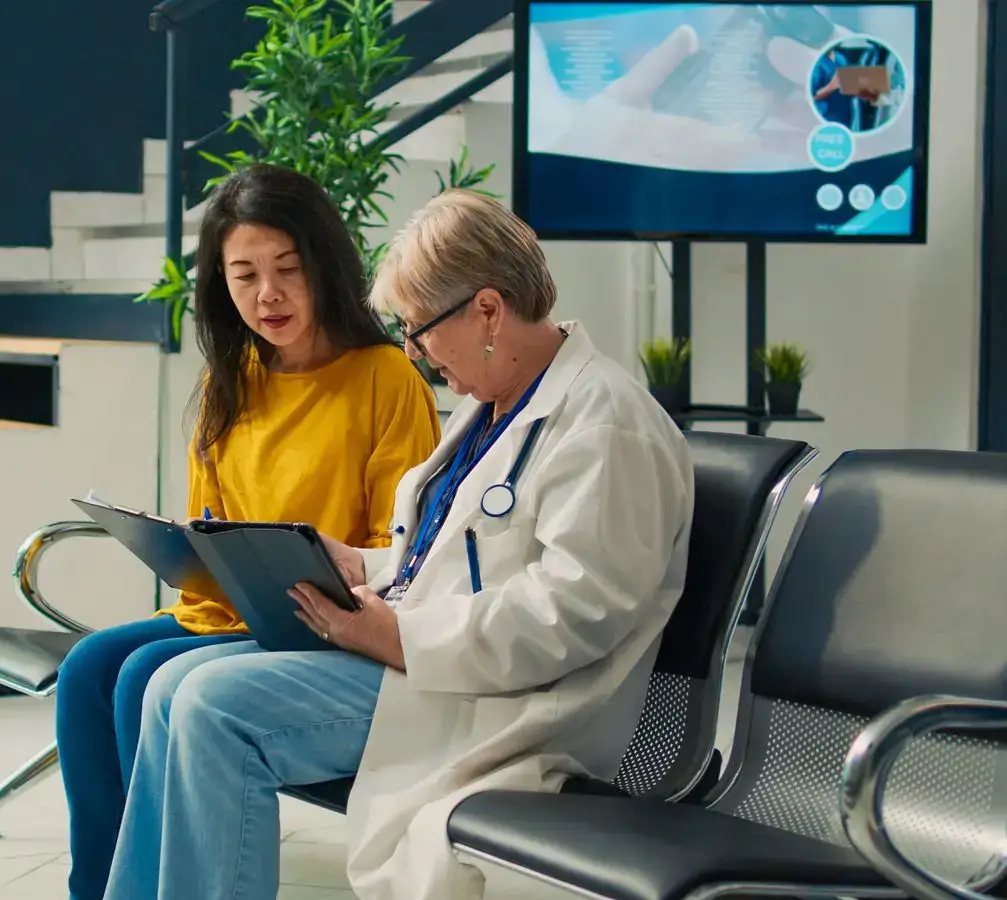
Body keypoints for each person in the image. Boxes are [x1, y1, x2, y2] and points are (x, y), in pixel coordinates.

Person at [105, 190, 695, 900]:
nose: (413, 351)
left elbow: (574, 614)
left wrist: (399, 636)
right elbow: (453, 554)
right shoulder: (495, 403)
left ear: (487, 310)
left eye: (419, 330)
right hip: (426, 660)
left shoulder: (605, 423)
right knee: (167, 687)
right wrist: (362, 564)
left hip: (497, 696)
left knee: (212, 706)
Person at [55, 163, 441, 900]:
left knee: (139, 676)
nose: (268, 294)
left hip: (324, 621)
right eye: (245, 276)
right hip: (230, 608)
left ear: (324, 266)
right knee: (87, 669)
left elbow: (400, 549)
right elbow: (211, 529)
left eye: (287, 270)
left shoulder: (385, 379)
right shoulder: (228, 381)